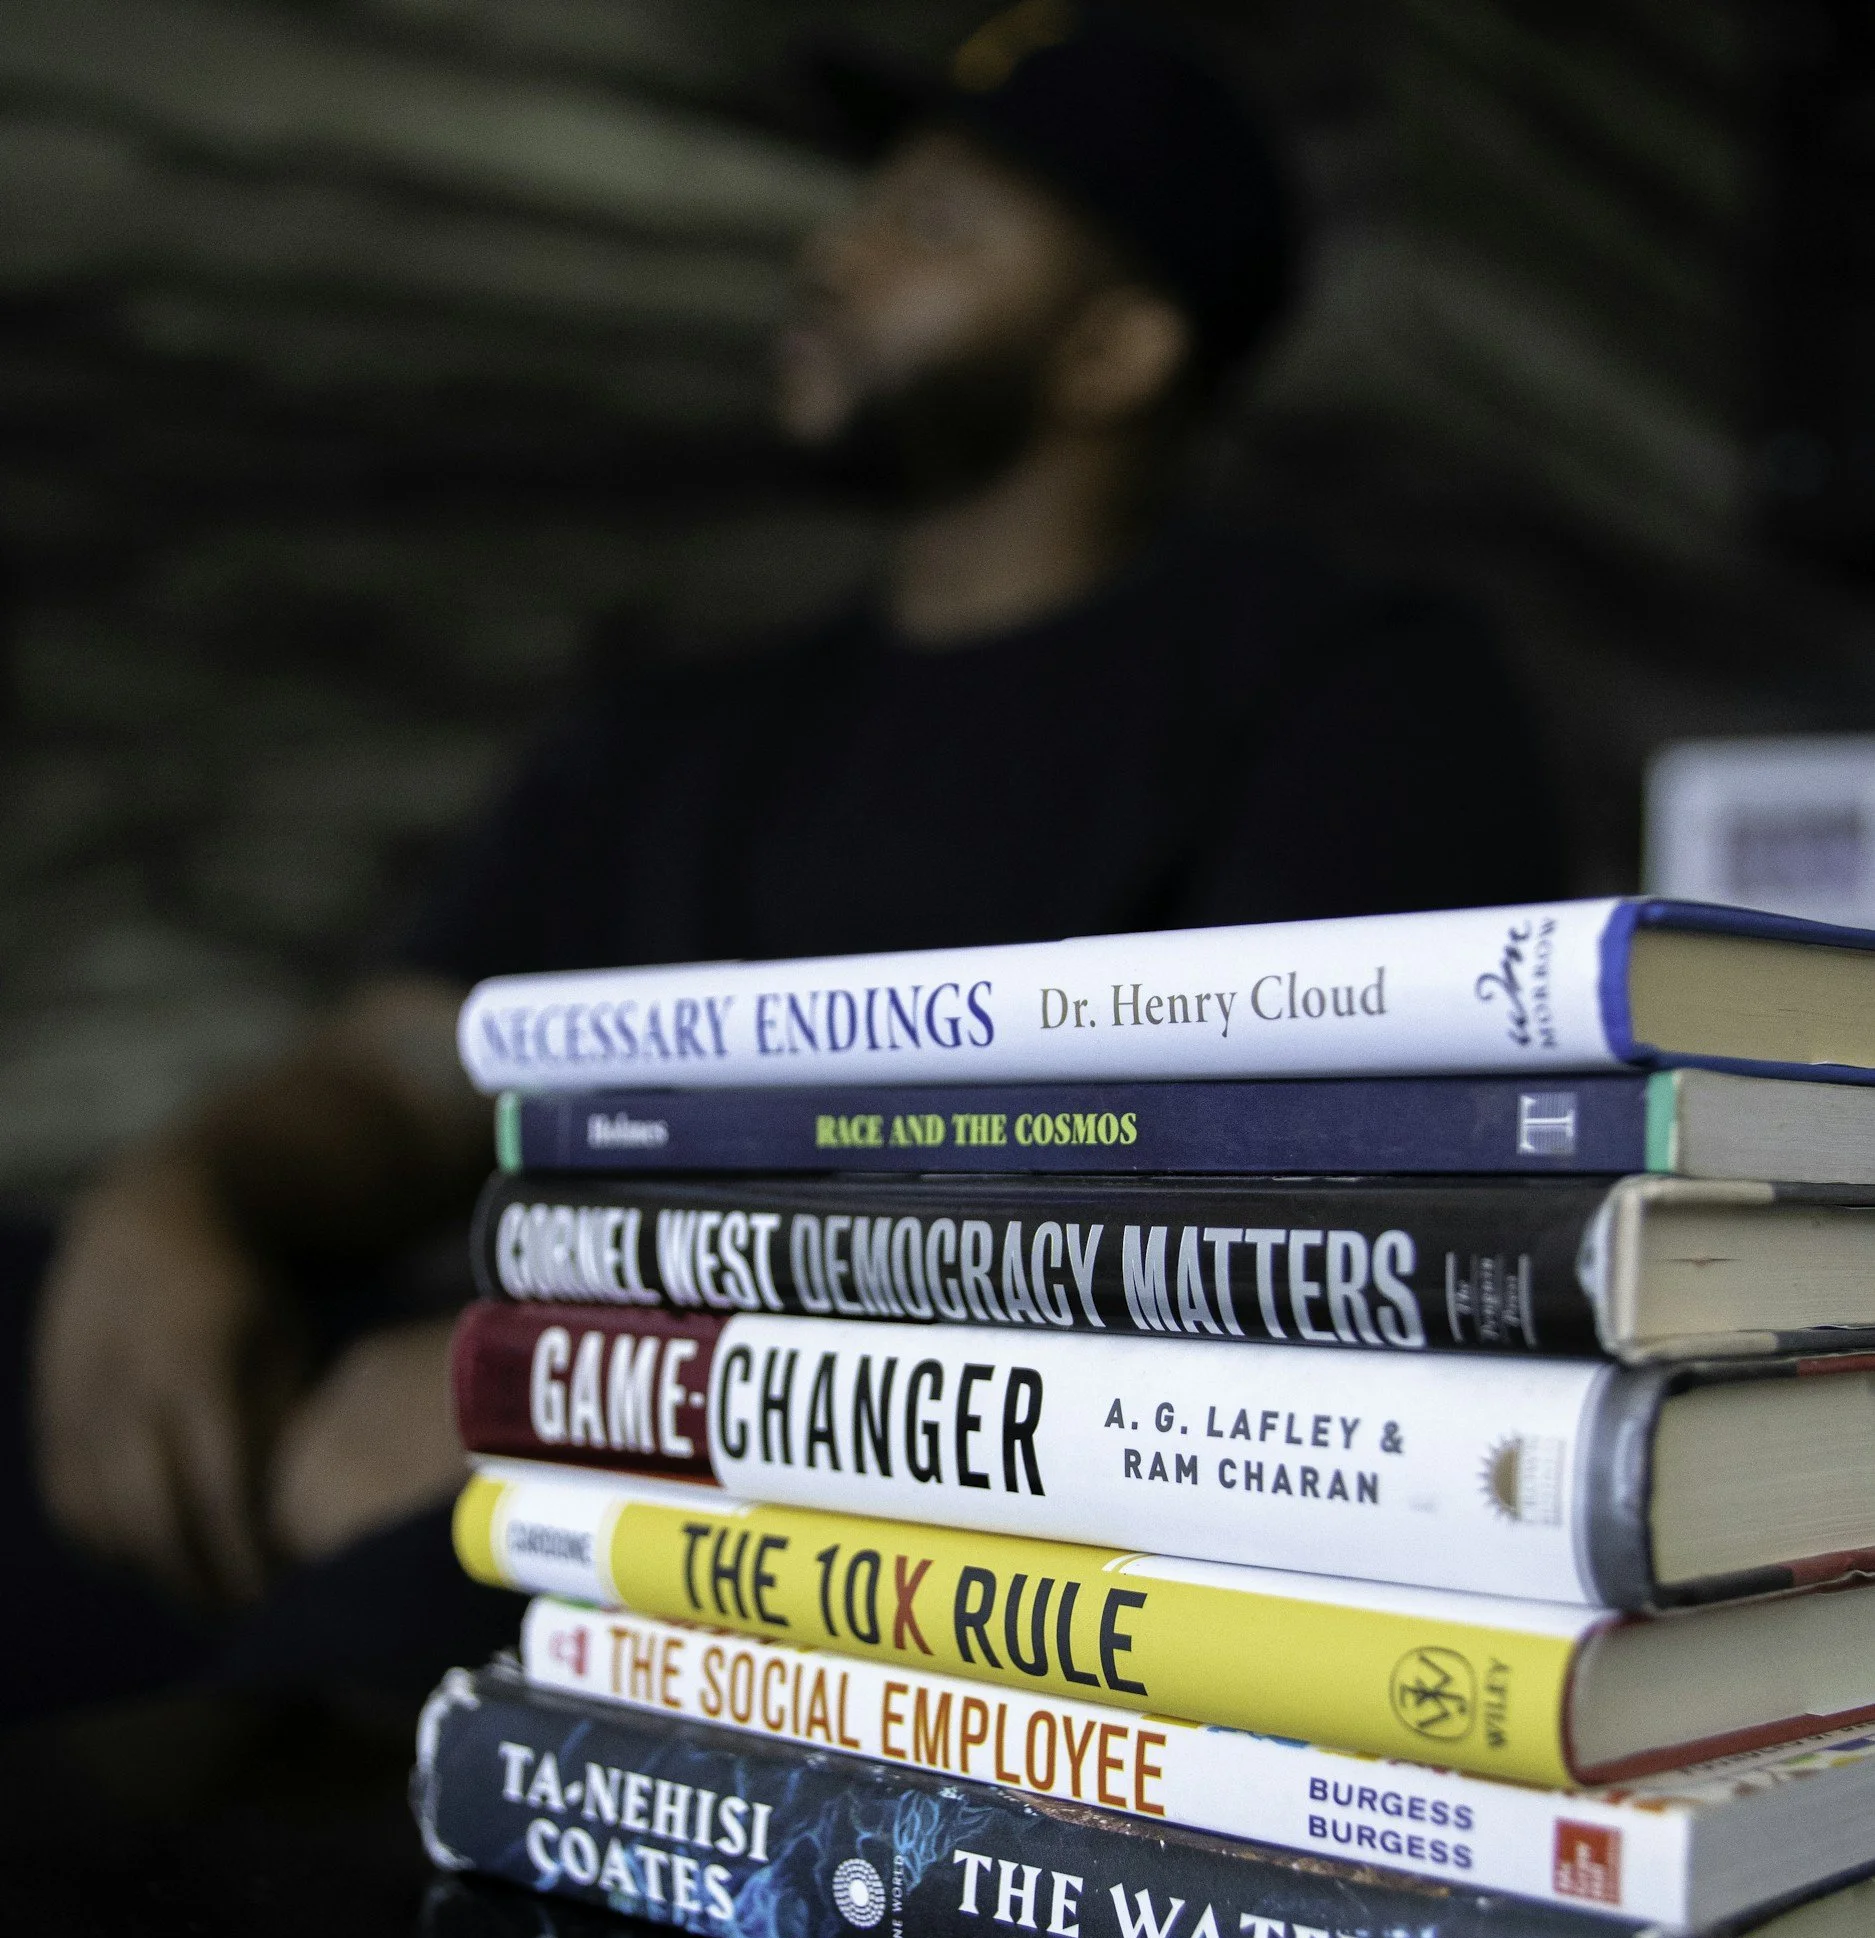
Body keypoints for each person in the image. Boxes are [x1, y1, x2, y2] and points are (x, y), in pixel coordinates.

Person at [18, 5, 1564, 1712]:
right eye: (866, 203)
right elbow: (413, 1065)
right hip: (494, 1400)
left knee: (379, 1646)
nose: (837, 251)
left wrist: (584, 1387)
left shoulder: (1348, 683)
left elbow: (1293, 1225)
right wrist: (181, 1195)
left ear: (1111, 351)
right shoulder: (684, 720)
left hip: (888, 1496)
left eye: (935, 224)